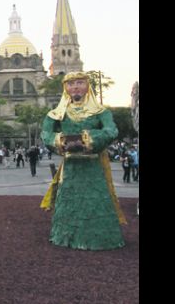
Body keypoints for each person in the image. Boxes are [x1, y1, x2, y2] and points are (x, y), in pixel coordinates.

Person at [40, 72, 125, 250]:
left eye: (79, 82)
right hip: (70, 167)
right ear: (65, 88)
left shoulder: (101, 112)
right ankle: (66, 237)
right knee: (69, 199)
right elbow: (46, 134)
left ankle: (98, 239)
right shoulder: (56, 114)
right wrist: (60, 141)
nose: (75, 87)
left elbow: (111, 131)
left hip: (94, 166)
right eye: (70, 84)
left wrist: (89, 140)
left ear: (87, 86)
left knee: (95, 199)